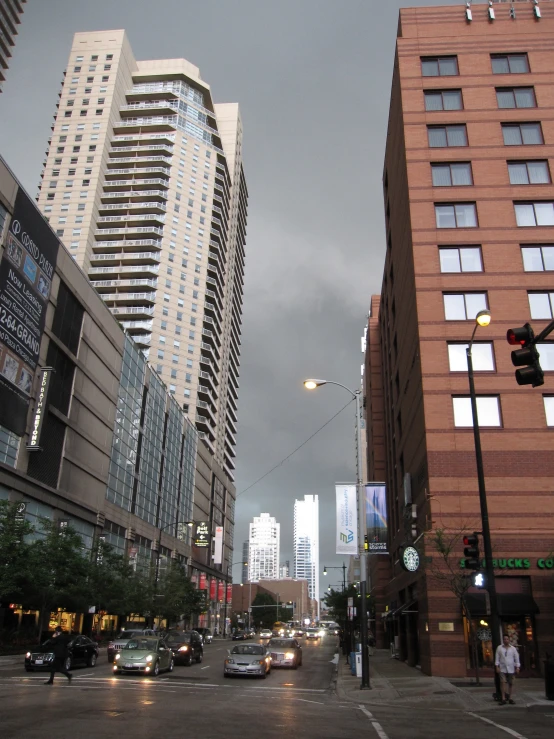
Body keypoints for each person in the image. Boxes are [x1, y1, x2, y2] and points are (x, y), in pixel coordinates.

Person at [495, 633, 520, 704]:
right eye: (504, 639)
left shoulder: (513, 649)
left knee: (511, 683)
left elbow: (516, 658)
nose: (506, 640)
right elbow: (497, 658)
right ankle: (503, 698)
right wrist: (497, 666)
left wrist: (517, 667)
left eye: (507, 639)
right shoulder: (499, 648)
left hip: (511, 668)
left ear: (509, 640)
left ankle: (510, 698)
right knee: (503, 682)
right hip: (502, 668)